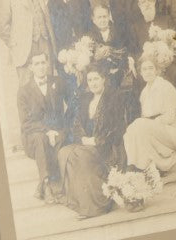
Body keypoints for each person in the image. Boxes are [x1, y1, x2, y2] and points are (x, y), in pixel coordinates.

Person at [56, 64, 130, 218]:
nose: (93, 83)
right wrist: (83, 138)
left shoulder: (114, 98)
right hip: (88, 143)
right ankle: (80, 202)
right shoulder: (85, 100)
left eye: (96, 79)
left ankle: (95, 206)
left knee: (80, 155)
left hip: (108, 147)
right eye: (90, 80)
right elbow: (76, 125)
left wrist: (97, 140)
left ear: (104, 79)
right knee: (64, 152)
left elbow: (118, 127)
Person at [17, 53, 69, 201]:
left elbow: (72, 102)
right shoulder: (23, 91)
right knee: (41, 139)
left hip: (57, 131)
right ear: (31, 68)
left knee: (60, 137)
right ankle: (47, 185)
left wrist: (62, 126)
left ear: (47, 64)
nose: (41, 67)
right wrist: (47, 131)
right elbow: (26, 123)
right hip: (33, 134)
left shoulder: (58, 82)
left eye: (43, 63)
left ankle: (48, 184)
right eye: (37, 64)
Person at [124, 51, 176, 173]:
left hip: (171, 130)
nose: (148, 72)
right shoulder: (144, 93)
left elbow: (170, 117)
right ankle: (138, 166)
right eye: (144, 69)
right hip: (154, 130)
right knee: (129, 133)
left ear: (157, 70)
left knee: (139, 124)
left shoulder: (165, 86)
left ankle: (144, 166)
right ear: (141, 73)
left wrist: (152, 124)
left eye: (151, 68)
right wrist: (149, 125)